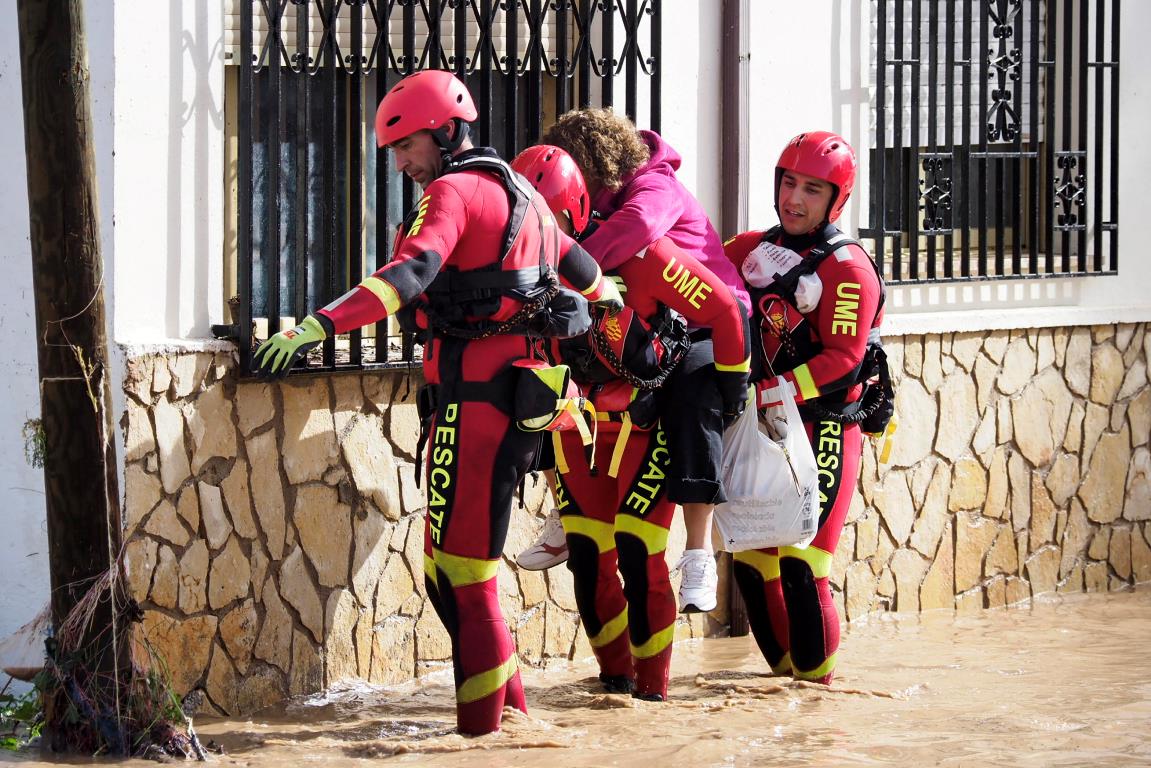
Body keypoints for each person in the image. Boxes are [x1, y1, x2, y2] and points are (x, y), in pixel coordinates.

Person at [251, 70, 622, 735]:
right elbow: (580, 266)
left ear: (447, 133)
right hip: (511, 401)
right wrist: (606, 296)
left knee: (463, 572)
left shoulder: (454, 190)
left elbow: (411, 272)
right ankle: (513, 725)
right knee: (444, 568)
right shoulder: (524, 195)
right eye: (394, 152)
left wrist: (317, 325)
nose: (400, 164)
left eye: (407, 147)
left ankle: (478, 740)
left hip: (479, 405)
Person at [510, 145, 750, 700]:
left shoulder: (645, 258)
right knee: (589, 558)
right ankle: (613, 689)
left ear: (575, 210)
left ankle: (653, 697)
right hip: (581, 429)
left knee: (639, 549)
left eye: (547, 225)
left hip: (646, 426)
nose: (539, 242)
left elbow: (722, 309)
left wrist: (734, 390)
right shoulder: (516, 276)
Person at [723, 131, 885, 685]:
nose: (794, 199)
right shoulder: (745, 249)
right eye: (788, 183)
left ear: (836, 199)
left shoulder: (849, 269)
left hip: (827, 427)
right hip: (761, 429)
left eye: (812, 190)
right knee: (750, 558)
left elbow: (844, 357)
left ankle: (818, 704)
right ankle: (783, 701)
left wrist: (774, 391)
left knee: (802, 564)